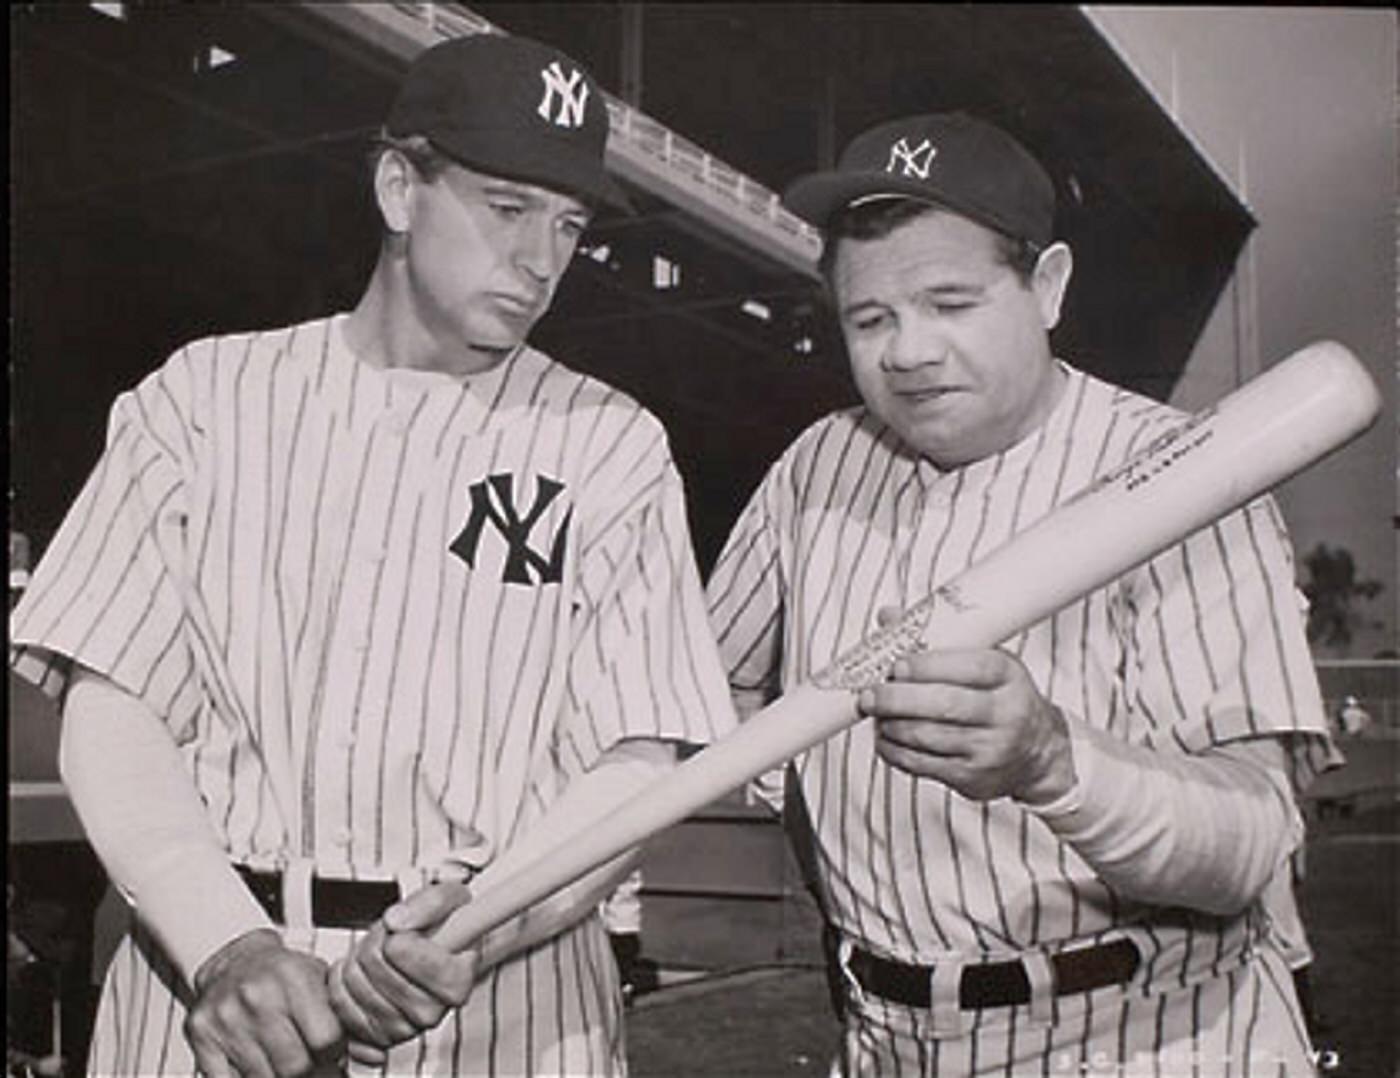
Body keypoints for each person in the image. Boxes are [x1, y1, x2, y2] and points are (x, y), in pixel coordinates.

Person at [9, 32, 734, 1077]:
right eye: (506, 207)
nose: (541, 260)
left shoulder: (609, 441)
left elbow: (630, 760)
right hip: (211, 979)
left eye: (569, 224)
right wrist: (223, 940)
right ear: (399, 186)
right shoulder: (203, 401)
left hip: (502, 1003)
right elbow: (113, 703)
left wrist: (482, 920)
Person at [704, 112, 1338, 1075]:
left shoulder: (1180, 470)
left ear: (1047, 287)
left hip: (1149, 1033)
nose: (907, 351)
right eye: (869, 320)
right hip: (884, 1037)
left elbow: (1252, 842)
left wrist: (1050, 759)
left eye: (950, 302)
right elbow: (706, 697)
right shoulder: (818, 468)